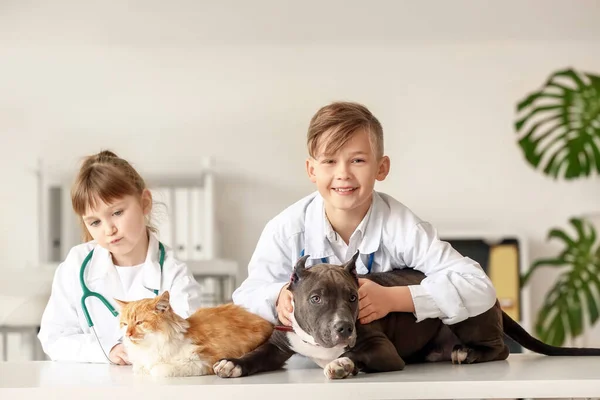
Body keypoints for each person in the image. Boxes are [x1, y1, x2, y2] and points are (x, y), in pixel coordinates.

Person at [232, 101, 497, 329]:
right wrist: (277, 296)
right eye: (329, 161)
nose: (343, 173)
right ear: (311, 170)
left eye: (357, 160)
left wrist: (395, 299)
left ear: (381, 168)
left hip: (386, 363)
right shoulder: (286, 229)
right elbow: (246, 297)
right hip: (307, 369)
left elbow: (478, 287)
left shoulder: (403, 227)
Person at [38, 150, 203, 364]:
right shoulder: (77, 265)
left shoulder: (174, 275)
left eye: (117, 213)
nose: (109, 229)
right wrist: (108, 350)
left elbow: (187, 340)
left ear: (145, 202)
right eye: (95, 222)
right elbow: (54, 338)